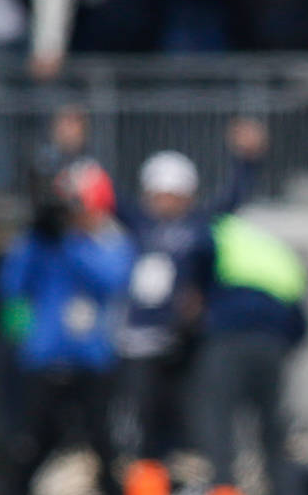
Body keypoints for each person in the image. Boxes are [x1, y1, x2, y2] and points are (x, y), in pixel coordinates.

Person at [0, 159, 134, 495]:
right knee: (27, 447)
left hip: (93, 361)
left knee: (106, 447)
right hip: (43, 360)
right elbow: (9, 285)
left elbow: (111, 281)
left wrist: (68, 240)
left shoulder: (110, 240)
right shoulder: (42, 240)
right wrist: (39, 238)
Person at [112, 120, 266, 475]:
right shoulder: (141, 225)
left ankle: (190, 491)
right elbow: (108, 197)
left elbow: (232, 199)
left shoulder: (197, 225)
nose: (165, 201)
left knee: (192, 424)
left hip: (182, 342)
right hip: (140, 344)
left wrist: (248, 160)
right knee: (144, 428)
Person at [184, 208, 308, 495]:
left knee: (220, 438)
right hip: (272, 349)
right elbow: (302, 323)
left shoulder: (217, 235)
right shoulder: (278, 253)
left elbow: (192, 280)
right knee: (274, 444)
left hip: (227, 344)